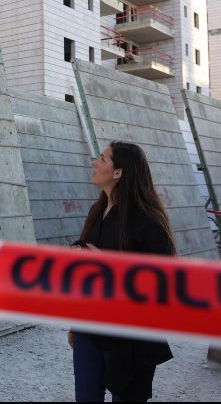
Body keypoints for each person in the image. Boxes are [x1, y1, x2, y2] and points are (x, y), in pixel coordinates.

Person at [68, 141, 176, 402]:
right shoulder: (97, 211)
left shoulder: (148, 221)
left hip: (130, 336)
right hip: (89, 327)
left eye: (103, 159)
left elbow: (162, 284)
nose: (95, 162)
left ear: (118, 172)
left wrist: (110, 265)